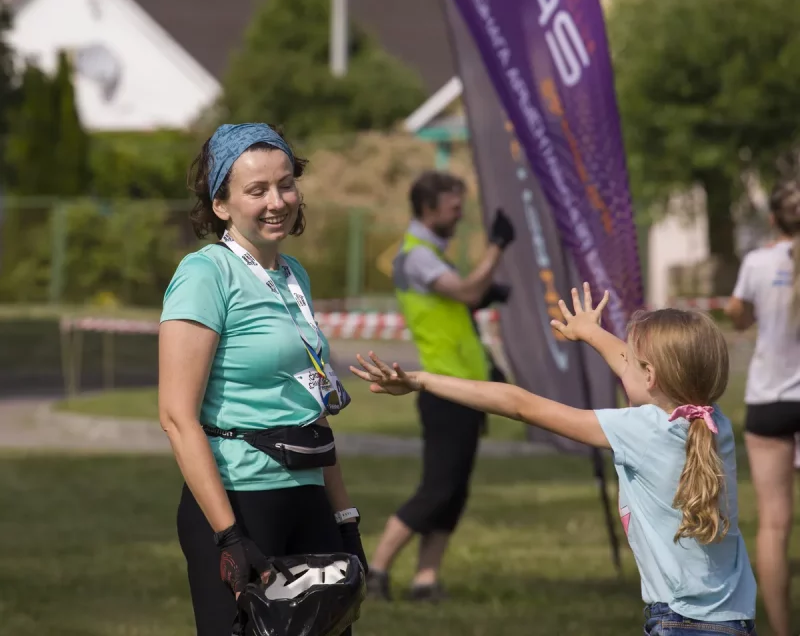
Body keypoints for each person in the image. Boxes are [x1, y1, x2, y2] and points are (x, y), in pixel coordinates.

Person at [351, 282, 758, 635]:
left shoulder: (641, 429)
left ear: (650, 376)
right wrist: (593, 333)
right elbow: (641, 368)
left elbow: (519, 404)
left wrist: (421, 380)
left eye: (630, 362)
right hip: (735, 619)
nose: (622, 362)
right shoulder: (713, 423)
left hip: (679, 622)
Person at [158, 123, 367, 636]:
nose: (277, 201)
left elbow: (312, 407)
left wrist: (345, 519)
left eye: (285, 184)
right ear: (221, 205)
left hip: (308, 498)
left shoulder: (294, 276)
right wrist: (228, 536)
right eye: (257, 190)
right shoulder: (205, 274)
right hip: (239, 502)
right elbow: (177, 417)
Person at [364, 171, 515, 602]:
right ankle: (375, 571)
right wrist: (496, 247)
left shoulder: (431, 253)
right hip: (442, 388)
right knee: (436, 490)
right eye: (453, 208)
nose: (459, 216)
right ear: (428, 208)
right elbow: (465, 292)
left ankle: (425, 579)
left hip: (464, 385)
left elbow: (458, 305)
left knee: (454, 492)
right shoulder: (416, 255)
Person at [725, 174, 800, 636]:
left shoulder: (757, 262)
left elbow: (737, 314)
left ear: (773, 219)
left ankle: (782, 630)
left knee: (774, 525)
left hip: (770, 400)